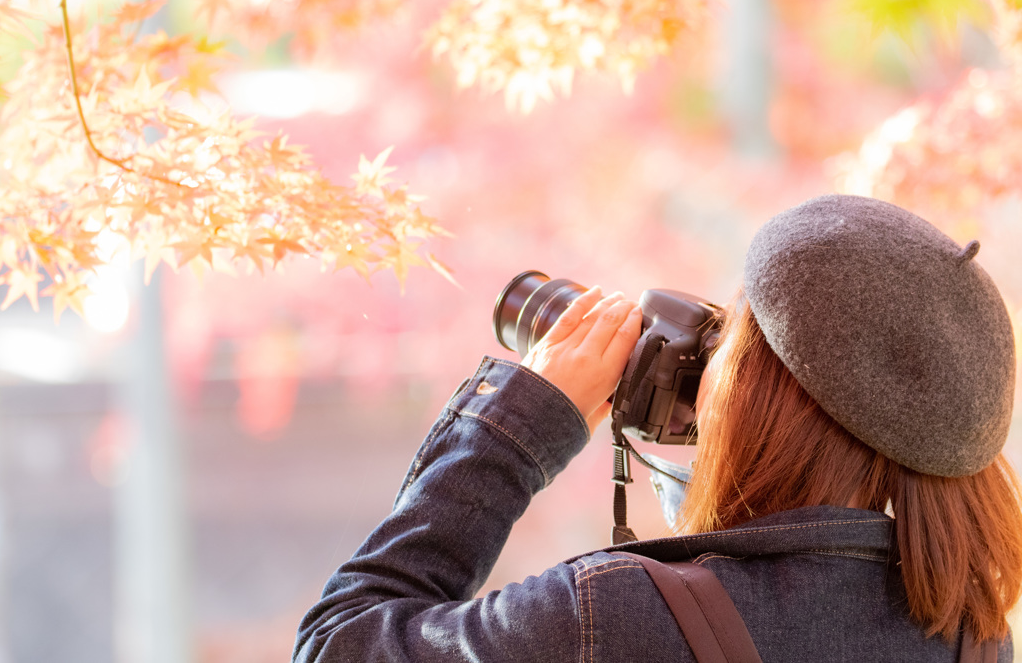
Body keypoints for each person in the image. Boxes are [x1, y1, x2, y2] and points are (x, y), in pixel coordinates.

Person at [292, 194, 1022, 662]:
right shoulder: (975, 638)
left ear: (756, 392)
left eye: (734, 338)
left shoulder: (612, 617)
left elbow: (335, 645)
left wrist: (518, 422)